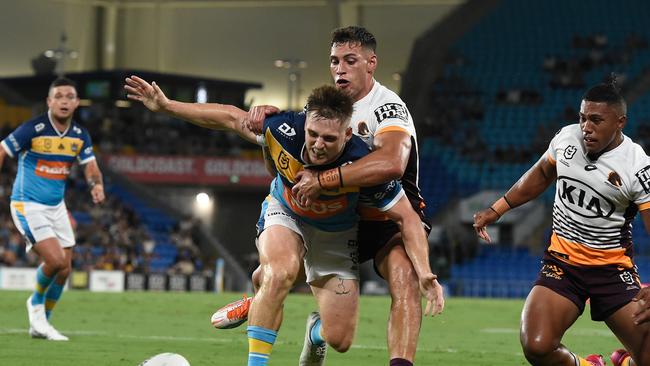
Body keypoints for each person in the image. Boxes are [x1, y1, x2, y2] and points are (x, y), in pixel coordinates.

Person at [124, 77, 444, 366]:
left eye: (329, 139)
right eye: (313, 134)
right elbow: (228, 117)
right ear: (305, 124)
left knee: (340, 339)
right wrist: (167, 107)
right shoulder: (283, 129)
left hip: (335, 234)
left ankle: (302, 324)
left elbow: (408, 219)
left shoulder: (362, 164)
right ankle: (265, 311)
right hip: (285, 212)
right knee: (281, 272)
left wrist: (425, 273)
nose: (318, 144)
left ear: (347, 134)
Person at [240, 26, 433, 366]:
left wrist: (325, 179)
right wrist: (270, 117)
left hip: (388, 215)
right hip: (344, 216)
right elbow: (282, 133)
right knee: (275, 276)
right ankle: (265, 301)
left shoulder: (387, 108)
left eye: (350, 60)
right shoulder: (330, 108)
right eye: (334, 61)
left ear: (371, 63)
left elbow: (391, 162)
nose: (340, 68)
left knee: (404, 276)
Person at [472, 82, 650, 366]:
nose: (585, 127)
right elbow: (541, 173)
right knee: (537, 346)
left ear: (620, 123)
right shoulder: (567, 139)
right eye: (582, 117)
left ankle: (626, 361)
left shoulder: (637, 166)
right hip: (563, 264)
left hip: (612, 270)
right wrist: (498, 208)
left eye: (596, 120)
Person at [0, 76, 105, 341]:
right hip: (27, 204)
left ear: (77, 102)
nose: (64, 101)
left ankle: (42, 324)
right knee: (55, 260)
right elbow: (2, 149)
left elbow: (90, 165)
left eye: (69, 96)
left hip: (56, 206)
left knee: (66, 268)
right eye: (58, 96)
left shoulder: (80, 136)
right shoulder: (32, 129)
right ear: (49, 101)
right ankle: (35, 305)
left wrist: (96, 184)